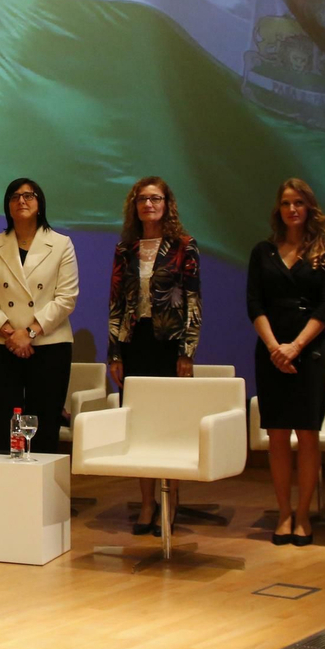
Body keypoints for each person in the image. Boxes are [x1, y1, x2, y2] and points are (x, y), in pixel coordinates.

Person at [247, 179, 325, 547]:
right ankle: (283, 512)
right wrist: (275, 348)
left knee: (307, 433)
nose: (292, 209)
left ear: (310, 207)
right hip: (270, 352)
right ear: (278, 209)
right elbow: (254, 303)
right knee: (278, 436)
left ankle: (304, 515)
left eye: (299, 202)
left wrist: (295, 347)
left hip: (310, 351)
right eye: (286, 203)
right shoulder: (263, 251)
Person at [107, 176, 201, 535]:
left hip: (170, 343)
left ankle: (171, 500)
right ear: (135, 206)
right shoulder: (125, 249)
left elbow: (193, 302)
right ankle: (147, 503)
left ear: (167, 204)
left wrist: (187, 352)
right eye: (142, 199)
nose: (149, 205)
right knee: (139, 426)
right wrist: (114, 353)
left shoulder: (183, 246)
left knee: (170, 425)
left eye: (155, 199)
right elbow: (116, 303)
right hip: (135, 343)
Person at [0, 177, 78, 462]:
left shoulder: (61, 244)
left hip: (49, 343)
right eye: (15, 196)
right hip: (1, 344)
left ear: (40, 204)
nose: (22, 200)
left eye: (29, 195)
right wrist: (11, 334)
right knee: (3, 419)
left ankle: (41, 495)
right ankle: (4, 493)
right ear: (7, 206)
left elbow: (66, 298)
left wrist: (29, 333)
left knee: (44, 420)